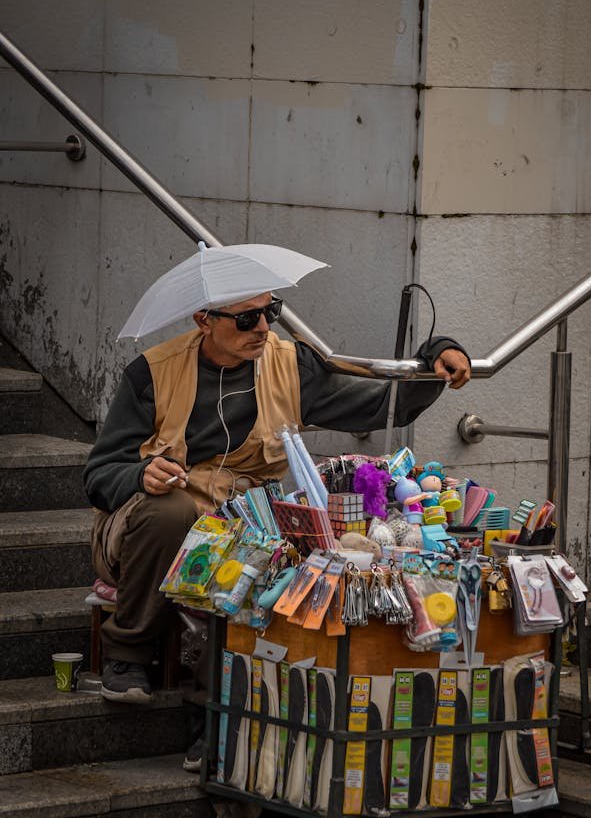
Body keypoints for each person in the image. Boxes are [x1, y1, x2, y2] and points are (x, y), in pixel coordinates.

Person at [83, 289, 471, 717]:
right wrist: (141, 474)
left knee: (283, 547)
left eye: (270, 312)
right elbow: (100, 474)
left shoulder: (290, 364)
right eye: (247, 319)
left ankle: (215, 715)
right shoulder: (152, 373)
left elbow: (378, 405)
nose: (264, 328)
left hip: (247, 520)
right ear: (203, 320)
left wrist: (433, 360)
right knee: (171, 513)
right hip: (152, 522)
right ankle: (130, 653)